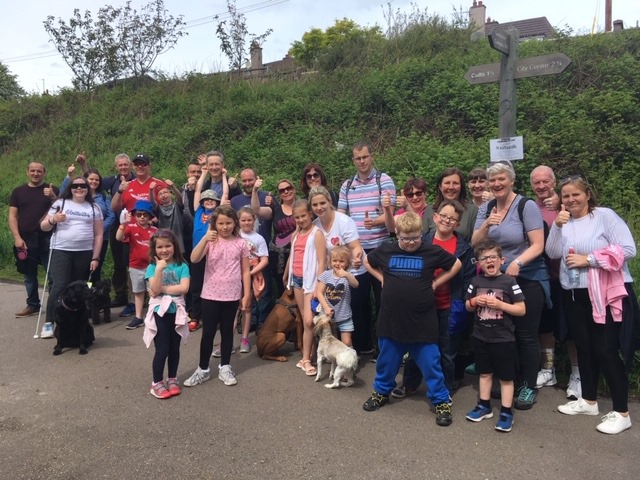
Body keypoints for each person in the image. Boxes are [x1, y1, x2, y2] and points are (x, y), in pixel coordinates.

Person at [546, 176, 637, 435]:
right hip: (574, 293)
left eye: (576, 194)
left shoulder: (604, 216)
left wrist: (590, 259)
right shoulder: (564, 222)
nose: (571, 200)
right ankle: (588, 400)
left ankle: (622, 412)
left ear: (587, 194)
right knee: (583, 347)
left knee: (605, 349)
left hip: (604, 293)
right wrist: (556, 226)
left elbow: (629, 249)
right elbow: (553, 253)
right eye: (566, 196)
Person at [362, 212, 461, 427]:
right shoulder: (387, 249)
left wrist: (437, 283)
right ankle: (381, 392)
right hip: (390, 320)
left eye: (415, 238)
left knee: (431, 364)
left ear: (421, 235)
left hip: (423, 323)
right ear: (396, 234)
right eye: (405, 238)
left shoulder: (431, 251)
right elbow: (367, 261)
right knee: (386, 363)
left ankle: (441, 401)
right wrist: (382, 279)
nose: (410, 243)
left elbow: (456, 265)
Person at [472, 161, 550, 410]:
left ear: (512, 180)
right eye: (492, 180)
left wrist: (517, 262)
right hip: (497, 280)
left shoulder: (526, 206)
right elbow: (475, 242)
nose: (496, 184)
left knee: (526, 335)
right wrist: (486, 223)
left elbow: (538, 244)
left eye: (501, 179)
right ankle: (509, 379)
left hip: (527, 277)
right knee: (505, 333)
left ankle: (529, 385)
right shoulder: (486, 208)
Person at [393, 200, 475, 396]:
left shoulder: (463, 248)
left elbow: (468, 279)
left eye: (452, 218)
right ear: (435, 216)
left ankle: (443, 389)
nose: (447, 220)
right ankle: (410, 383)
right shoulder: (422, 240)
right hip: (421, 304)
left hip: (449, 304)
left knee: (447, 351)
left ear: (457, 223)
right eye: (444, 216)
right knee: (415, 345)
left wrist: (465, 304)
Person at [338, 141, 396, 354]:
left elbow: (391, 213)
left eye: (365, 157)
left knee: (383, 300)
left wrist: (376, 221)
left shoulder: (384, 180)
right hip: (356, 251)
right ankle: (362, 346)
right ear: (353, 160)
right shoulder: (346, 185)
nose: (362, 161)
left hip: (381, 249)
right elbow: (342, 215)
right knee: (357, 301)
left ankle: (385, 348)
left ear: (372, 157)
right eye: (357, 158)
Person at [184, 205, 251, 388]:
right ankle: (203, 369)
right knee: (208, 333)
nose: (225, 227)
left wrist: (246, 294)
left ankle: (225, 367)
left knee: (227, 332)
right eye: (220, 223)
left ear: (234, 223)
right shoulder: (210, 241)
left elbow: (246, 271)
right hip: (211, 294)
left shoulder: (241, 243)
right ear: (215, 223)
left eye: (228, 223)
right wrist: (205, 238)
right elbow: (194, 258)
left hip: (232, 294)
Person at [529, 166, 581, 399]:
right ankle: (548, 370)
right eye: (536, 183)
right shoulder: (530, 208)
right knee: (545, 327)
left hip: (571, 277)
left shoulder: (567, 205)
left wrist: (561, 201)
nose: (541, 186)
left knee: (571, 330)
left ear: (554, 182)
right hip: (544, 276)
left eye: (545, 181)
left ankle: (577, 375)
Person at [464, 239, 526, 433]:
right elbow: (467, 305)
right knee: (484, 372)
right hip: (480, 336)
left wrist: (501, 305)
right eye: (484, 258)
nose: (489, 261)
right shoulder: (475, 282)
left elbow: (521, 309)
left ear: (502, 260)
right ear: (478, 263)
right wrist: (474, 301)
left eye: (493, 257)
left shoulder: (509, 282)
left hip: (503, 338)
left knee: (506, 378)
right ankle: (484, 406)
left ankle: (507, 412)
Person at [40, 176, 104, 338]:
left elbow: (98, 234)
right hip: (60, 250)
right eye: (75, 186)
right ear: (70, 188)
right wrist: (54, 219)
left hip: (84, 252)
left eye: (83, 185)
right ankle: (49, 322)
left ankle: (76, 321)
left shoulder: (94, 207)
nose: (79, 188)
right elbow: (44, 227)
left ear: (88, 188)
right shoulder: (60, 204)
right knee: (60, 284)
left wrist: (95, 257)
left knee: (80, 287)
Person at [111, 153, 167, 318]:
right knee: (131, 267)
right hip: (130, 232)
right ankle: (133, 303)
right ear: (134, 166)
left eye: (143, 164)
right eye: (137, 164)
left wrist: (155, 220)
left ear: (149, 165)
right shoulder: (128, 185)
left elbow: (165, 207)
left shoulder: (157, 184)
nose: (140, 167)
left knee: (154, 267)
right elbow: (115, 207)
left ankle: (157, 303)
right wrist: (119, 192)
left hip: (151, 233)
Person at [143, 229, 190, 399]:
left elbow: (184, 288)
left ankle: (172, 378)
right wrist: (158, 271)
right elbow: (153, 290)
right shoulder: (152, 267)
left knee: (174, 348)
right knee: (162, 349)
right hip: (160, 313)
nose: (164, 250)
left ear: (174, 246)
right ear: (154, 249)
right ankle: (156, 383)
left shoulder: (182, 266)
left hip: (176, 311)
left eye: (168, 246)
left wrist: (162, 290)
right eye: (160, 247)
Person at [9, 162, 59, 321]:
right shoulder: (18, 192)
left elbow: (61, 209)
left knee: (52, 275)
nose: (36, 173)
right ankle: (32, 304)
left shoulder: (52, 189)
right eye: (33, 171)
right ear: (27, 172)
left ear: (44, 173)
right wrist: (17, 237)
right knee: (29, 275)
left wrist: (53, 197)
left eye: (39, 171)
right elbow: (12, 216)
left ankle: (55, 305)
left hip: (47, 238)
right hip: (25, 239)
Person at [284, 199, 327, 376]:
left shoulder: (317, 234)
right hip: (297, 280)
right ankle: (308, 356)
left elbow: (322, 261)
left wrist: (319, 285)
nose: (301, 220)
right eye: (297, 217)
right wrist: (287, 273)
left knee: (309, 321)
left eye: (303, 216)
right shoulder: (295, 234)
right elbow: (292, 255)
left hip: (311, 282)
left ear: (310, 214)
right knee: (304, 318)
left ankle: (306, 358)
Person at [232, 168, 277, 330]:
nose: (247, 183)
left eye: (250, 180)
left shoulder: (266, 197)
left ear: (256, 179)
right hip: (241, 259)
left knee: (263, 291)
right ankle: (248, 322)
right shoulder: (235, 200)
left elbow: (272, 215)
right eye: (244, 181)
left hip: (260, 252)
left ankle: (262, 324)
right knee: (245, 291)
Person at [61, 165, 115, 282]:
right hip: (81, 240)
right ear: (85, 180)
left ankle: (92, 293)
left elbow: (111, 216)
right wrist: (68, 176)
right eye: (91, 179)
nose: (94, 182)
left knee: (94, 269)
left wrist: (98, 231)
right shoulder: (77, 195)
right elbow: (62, 195)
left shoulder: (105, 196)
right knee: (80, 269)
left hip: (101, 240)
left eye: (96, 180)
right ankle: (78, 292)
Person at [310, 186, 363, 291]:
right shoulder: (314, 226)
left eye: (322, 203)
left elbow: (355, 247)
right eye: (314, 205)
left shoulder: (344, 222)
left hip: (353, 274)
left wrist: (356, 258)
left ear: (329, 202)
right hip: (332, 276)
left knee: (357, 307)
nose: (319, 207)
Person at [115, 200, 158, 330]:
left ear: (150, 216)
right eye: (139, 215)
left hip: (151, 266)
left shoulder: (155, 230)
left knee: (153, 291)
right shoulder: (131, 227)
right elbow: (118, 237)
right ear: (134, 215)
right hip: (136, 265)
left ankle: (153, 316)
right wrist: (122, 225)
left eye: (145, 215)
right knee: (138, 291)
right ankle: (138, 317)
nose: (142, 217)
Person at [102, 154, 136, 310]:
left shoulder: (137, 179)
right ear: (116, 166)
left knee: (133, 262)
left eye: (125, 165)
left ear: (130, 165)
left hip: (135, 225)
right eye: (120, 165)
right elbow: (91, 181)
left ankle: (135, 297)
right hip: (117, 226)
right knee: (119, 262)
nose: (123, 167)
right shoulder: (112, 181)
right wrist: (83, 165)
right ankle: (120, 294)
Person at [237, 206, 269, 354]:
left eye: (249, 220)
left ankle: (245, 338)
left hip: (251, 273)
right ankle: (227, 341)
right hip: (234, 274)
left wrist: (250, 273)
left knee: (247, 306)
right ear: (238, 221)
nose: (246, 223)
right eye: (243, 220)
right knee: (232, 309)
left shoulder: (258, 238)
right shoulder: (235, 235)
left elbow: (264, 260)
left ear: (254, 220)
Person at [315, 245, 359, 347]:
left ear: (347, 263)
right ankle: (335, 360)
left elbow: (356, 285)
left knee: (347, 342)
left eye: (341, 261)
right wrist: (326, 307)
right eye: (335, 260)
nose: (337, 263)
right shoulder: (326, 275)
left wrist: (346, 275)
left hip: (344, 315)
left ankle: (350, 359)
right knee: (332, 341)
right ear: (330, 261)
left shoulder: (349, 275)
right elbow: (319, 293)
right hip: (328, 315)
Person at [267, 179, 298, 297]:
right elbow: (258, 211)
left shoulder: (303, 206)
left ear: (294, 189)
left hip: (297, 254)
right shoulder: (276, 209)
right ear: (279, 194)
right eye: (282, 190)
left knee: (299, 287)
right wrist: (255, 191)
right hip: (277, 255)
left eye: (288, 188)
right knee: (281, 289)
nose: (286, 191)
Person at [430, 167, 478, 242]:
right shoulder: (430, 210)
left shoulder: (472, 211)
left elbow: (476, 242)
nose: (451, 187)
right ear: (440, 186)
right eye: (447, 183)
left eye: (455, 183)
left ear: (461, 187)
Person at [149, 179, 186, 255]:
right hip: (164, 243)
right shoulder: (158, 209)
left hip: (178, 242)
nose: (163, 195)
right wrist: (151, 190)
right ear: (158, 198)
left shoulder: (177, 206)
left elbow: (179, 198)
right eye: (160, 194)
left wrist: (172, 186)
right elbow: (152, 202)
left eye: (165, 192)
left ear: (170, 194)